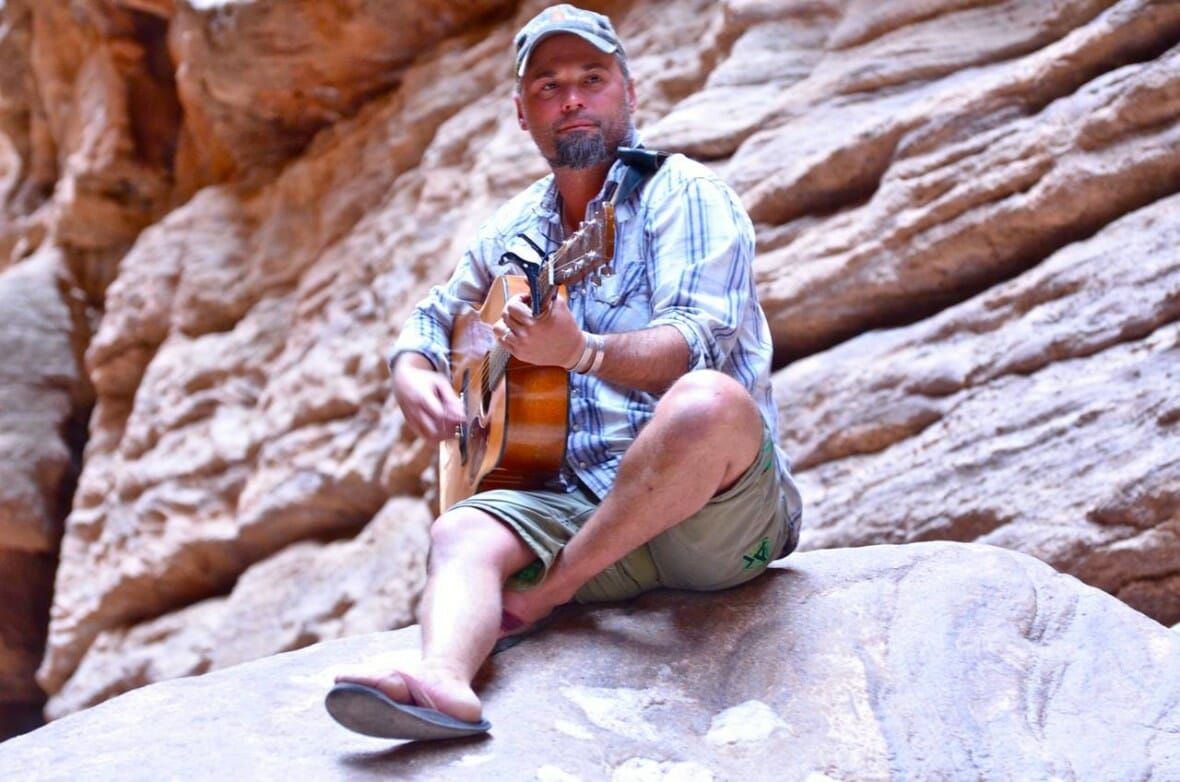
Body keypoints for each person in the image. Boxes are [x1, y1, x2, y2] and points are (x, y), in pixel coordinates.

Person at [326, 3, 803, 741]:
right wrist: (411, 367)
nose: (572, 98)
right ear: (523, 114)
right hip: (577, 506)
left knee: (708, 402)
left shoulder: (685, 193)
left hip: (709, 520)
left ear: (629, 92)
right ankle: (442, 681)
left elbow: (696, 344)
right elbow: (436, 313)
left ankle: (549, 592)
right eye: (548, 87)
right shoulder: (515, 228)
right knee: (461, 532)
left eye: (592, 78)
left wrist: (582, 353)